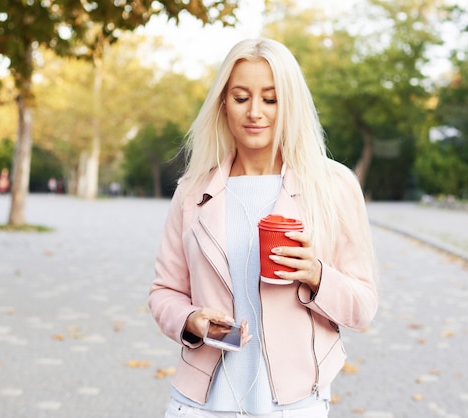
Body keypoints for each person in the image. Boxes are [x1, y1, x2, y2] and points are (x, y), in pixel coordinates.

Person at [148, 38, 379, 418]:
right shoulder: (193, 192)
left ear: (290, 103)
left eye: (270, 99)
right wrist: (191, 320)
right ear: (223, 105)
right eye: (241, 98)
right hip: (200, 403)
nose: (255, 112)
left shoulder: (333, 186)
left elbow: (363, 306)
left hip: (295, 404)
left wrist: (318, 275)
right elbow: (164, 292)